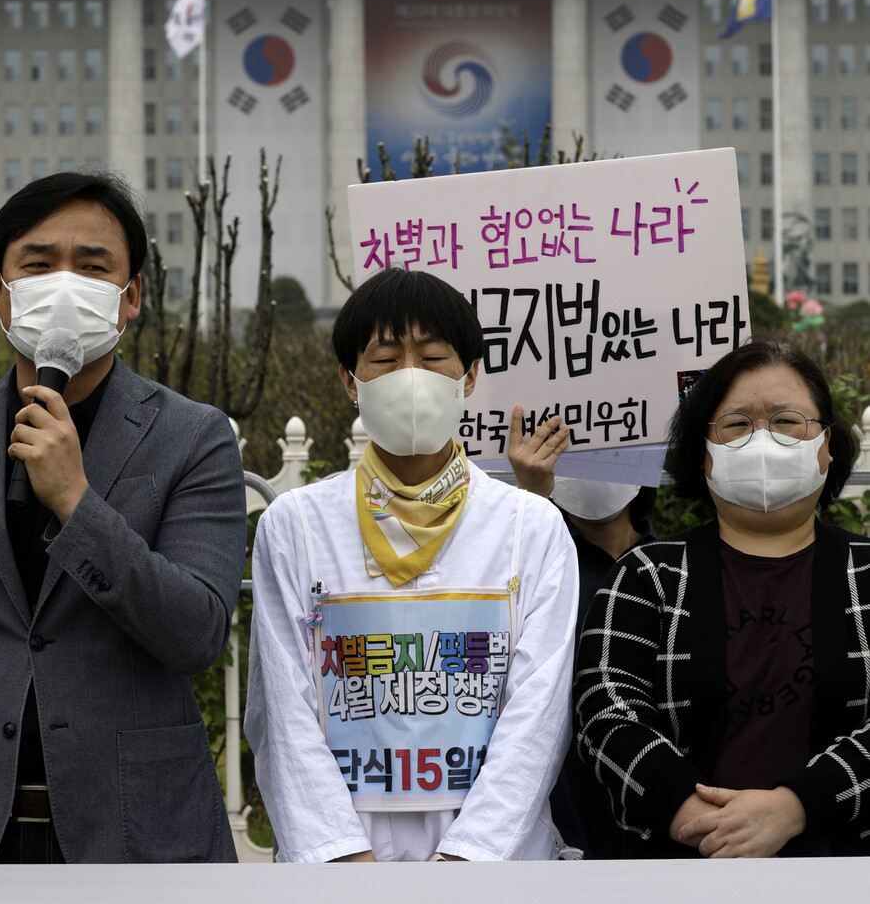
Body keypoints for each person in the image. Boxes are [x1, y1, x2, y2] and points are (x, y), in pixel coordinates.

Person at [0, 172, 246, 864]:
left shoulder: (195, 438)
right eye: (37, 263)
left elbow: (197, 631)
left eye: (91, 266)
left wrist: (76, 503)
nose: (63, 283)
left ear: (131, 298)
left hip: (141, 837)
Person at [245, 267, 578, 863]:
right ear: (350, 381)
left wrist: (469, 855)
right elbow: (282, 709)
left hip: (493, 869)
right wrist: (342, 855)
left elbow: (539, 712)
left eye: (432, 357)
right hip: (345, 867)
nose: (411, 377)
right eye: (385, 359)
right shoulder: (295, 525)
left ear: (470, 375)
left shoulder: (531, 526)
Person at [575, 337, 870, 858]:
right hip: (679, 875)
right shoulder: (647, 576)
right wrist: (692, 814)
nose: (761, 440)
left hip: (846, 874)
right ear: (705, 456)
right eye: (736, 425)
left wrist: (796, 805)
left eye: (786, 422)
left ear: (826, 446)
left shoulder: (868, 572)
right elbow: (605, 709)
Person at [508, 410, 657, 854]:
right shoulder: (538, 563)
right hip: (556, 823)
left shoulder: (673, 569)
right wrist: (529, 498)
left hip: (658, 823)